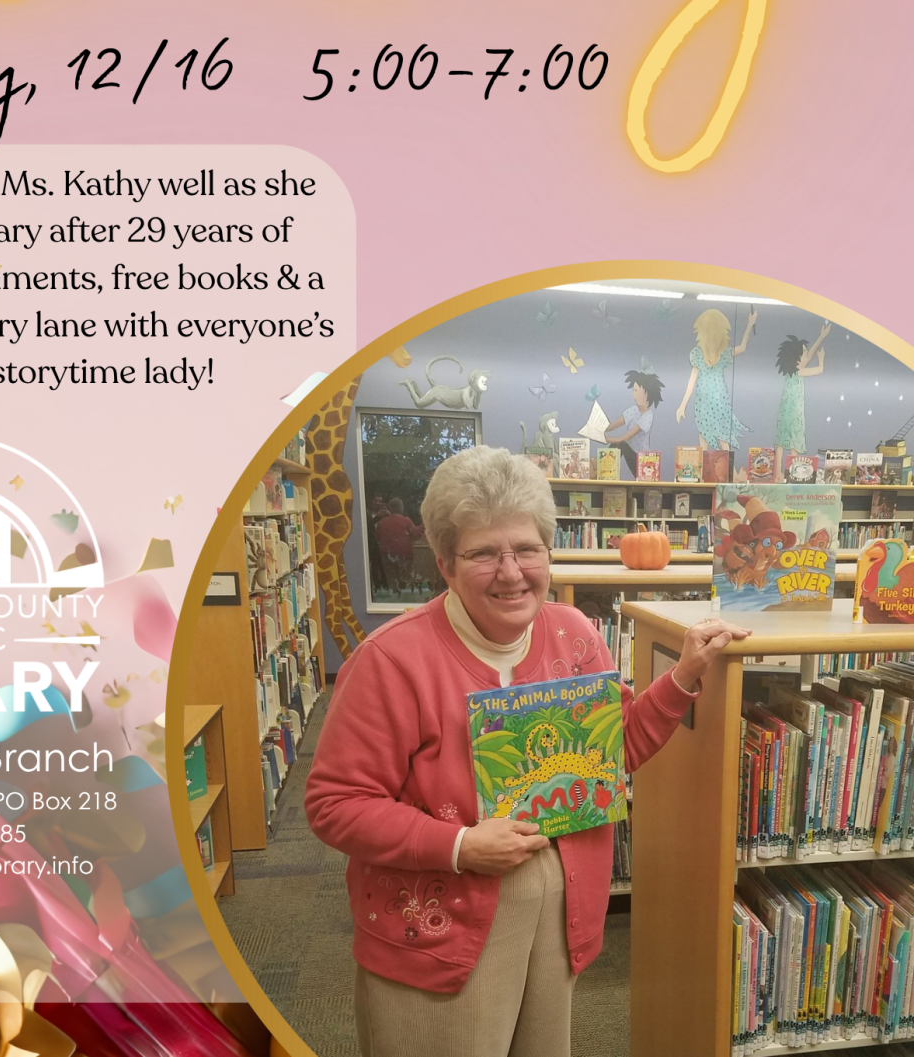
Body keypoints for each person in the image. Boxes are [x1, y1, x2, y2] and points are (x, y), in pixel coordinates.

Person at [305, 446, 749, 1057]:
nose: (511, 572)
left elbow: (611, 753)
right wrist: (459, 846)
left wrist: (682, 678)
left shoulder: (574, 633)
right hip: (440, 930)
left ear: (548, 550)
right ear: (445, 563)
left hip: (557, 919)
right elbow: (334, 803)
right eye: (484, 553)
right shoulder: (390, 661)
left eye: (526, 549)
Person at [675, 307, 757, 450]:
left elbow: (742, 347)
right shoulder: (698, 354)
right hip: (703, 403)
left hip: (720, 402)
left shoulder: (723, 353)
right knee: (704, 436)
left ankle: (727, 470)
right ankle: (704, 470)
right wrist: (682, 405)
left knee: (723, 436)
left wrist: (750, 324)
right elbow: (692, 381)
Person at [774, 321, 831, 453]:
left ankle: (779, 472)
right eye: (803, 353)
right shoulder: (799, 372)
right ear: (796, 357)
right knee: (795, 441)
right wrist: (821, 358)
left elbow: (809, 356)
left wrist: (821, 337)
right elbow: (820, 369)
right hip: (794, 412)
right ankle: (792, 469)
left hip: (785, 412)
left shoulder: (791, 372)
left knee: (781, 442)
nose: (807, 355)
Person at [604, 369, 664, 478]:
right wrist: (599, 428)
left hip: (642, 460)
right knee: (618, 444)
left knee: (621, 444)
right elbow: (613, 425)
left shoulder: (648, 416)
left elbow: (625, 438)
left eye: (636, 390)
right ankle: (602, 469)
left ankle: (603, 469)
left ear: (647, 392)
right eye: (633, 391)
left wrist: (604, 439)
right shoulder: (633, 410)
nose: (633, 395)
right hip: (630, 453)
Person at [375, 498, 422, 593]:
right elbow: (416, 534)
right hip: (405, 555)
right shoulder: (406, 521)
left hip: (386, 555)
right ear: (401, 508)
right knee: (405, 579)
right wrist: (423, 525)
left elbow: (377, 539)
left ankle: (394, 596)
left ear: (390, 508)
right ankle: (405, 598)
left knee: (391, 579)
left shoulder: (381, 523)